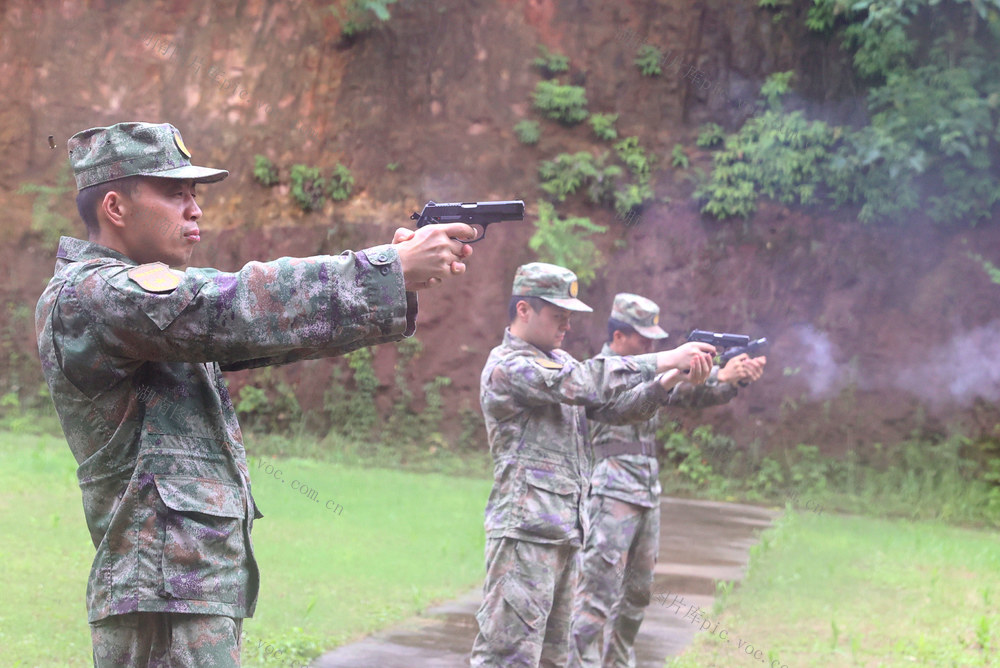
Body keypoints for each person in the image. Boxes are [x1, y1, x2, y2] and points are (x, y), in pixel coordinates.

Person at [34, 121, 475, 667]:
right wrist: (385, 269)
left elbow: (265, 329)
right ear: (115, 207)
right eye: (175, 193)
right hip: (162, 596)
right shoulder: (92, 294)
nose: (195, 209)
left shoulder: (139, 306)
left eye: (194, 194)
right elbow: (235, 305)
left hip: (178, 590)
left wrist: (392, 277)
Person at [470, 265, 717, 668]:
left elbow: (616, 409)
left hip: (565, 534)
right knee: (508, 657)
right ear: (524, 310)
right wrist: (665, 358)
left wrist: (669, 379)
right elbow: (584, 381)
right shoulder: (509, 365)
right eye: (558, 315)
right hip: (525, 536)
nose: (567, 325)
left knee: (554, 658)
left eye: (569, 316)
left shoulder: (558, 361)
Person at [569, 293, 767, 668]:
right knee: (597, 595)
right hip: (610, 494)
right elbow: (649, 388)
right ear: (618, 335)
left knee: (636, 596)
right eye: (642, 338)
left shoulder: (646, 372)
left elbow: (688, 393)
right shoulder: (601, 374)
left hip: (646, 494)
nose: (650, 347)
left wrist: (729, 379)